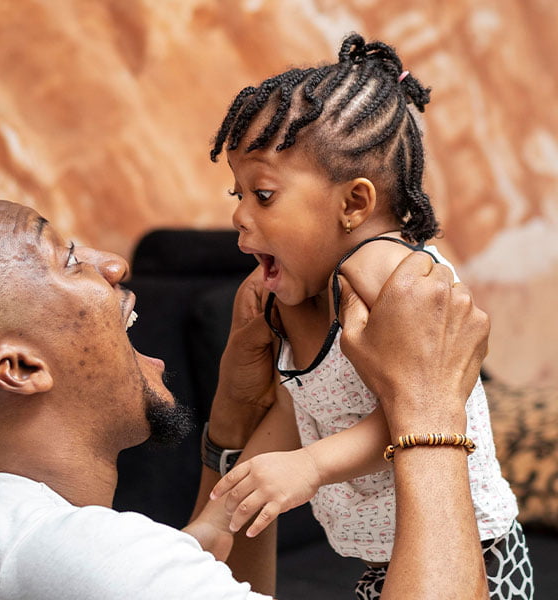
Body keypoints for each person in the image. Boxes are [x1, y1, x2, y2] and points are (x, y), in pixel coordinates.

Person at [0, 190, 491, 599]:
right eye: (68, 261)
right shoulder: (60, 554)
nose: (113, 264)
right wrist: (430, 404)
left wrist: (232, 430)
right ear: (21, 368)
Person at [200, 33, 532, 599]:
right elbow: (296, 408)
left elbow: (420, 408)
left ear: (354, 204)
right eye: (237, 193)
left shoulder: (396, 276)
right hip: (387, 561)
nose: (237, 215)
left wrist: (310, 467)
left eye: (262, 194)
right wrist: (219, 514)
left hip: (475, 555)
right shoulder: (292, 297)